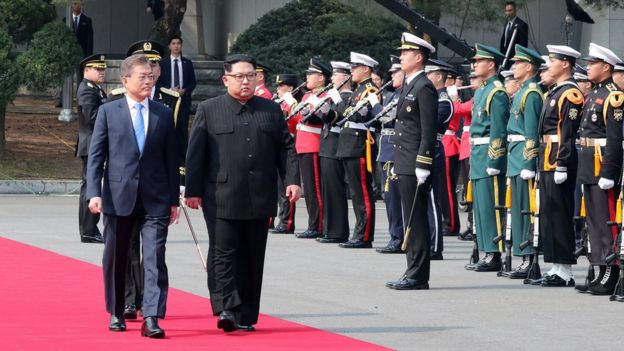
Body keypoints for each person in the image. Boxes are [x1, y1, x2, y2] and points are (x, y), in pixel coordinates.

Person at [184, 54, 301, 332]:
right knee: (223, 253)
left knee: (252, 255)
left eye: (251, 75)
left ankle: (246, 314)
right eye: (239, 76)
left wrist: (292, 180)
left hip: (260, 195)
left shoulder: (270, 110)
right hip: (220, 194)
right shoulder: (210, 109)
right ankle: (226, 307)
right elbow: (196, 153)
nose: (246, 81)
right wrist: (193, 190)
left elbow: (285, 148)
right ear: (226, 80)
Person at [86, 54, 179, 338]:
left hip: (155, 198)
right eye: (143, 76)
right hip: (117, 195)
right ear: (125, 80)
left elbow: (170, 158)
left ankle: (152, 315)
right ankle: (116, 310)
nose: (149, 81)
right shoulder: (108, 111)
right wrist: (94, 193)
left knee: (154, 257)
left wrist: (173, 199)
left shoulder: (163, 112)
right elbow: (96, 156)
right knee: (117, 256)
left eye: (151, 76)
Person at [118, 40, 182, 321]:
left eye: (155, 65)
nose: (151, 71)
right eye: (145, 67)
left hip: (157, 187)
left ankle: (154, 307)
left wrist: (176, 188)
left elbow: (177, 147)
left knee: (155, 253)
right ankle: (130, 300)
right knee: (130, 248)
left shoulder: (170, 101)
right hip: (126, 188)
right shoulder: (116, 98)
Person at [385, 32, 438, 290]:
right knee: (409, 218)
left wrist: (423, 163)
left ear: (419, 57)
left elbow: (428, 130)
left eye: (406, 53)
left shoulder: (424, 86)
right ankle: (411, 269)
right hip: (404, 160)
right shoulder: (409, 85)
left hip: (415, 162)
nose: (401, 57)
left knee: (416, 219)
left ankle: (418, 275)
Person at [575, 43, 623, 295]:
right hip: (588, 163)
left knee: (606, 222)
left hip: (601, 164)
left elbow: (615, 139)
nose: (588, 67)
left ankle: (611, 270)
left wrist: (609, 171)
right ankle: (599, 268)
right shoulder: (594, 93)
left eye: (592, 63)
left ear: (606, 67)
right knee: (593, 221)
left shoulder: (614, 96)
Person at [536, 45, 584, 287]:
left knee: (560, 213)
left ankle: (565, 269)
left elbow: (568, 131)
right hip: (547, 156)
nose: (549, 65)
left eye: (553, 60)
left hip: (558, 158)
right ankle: (555, 265)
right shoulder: (553, 92)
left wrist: (563, 163)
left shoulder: (571, 94)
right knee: (549, 213)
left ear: (565, 64)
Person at [465, 44, 510, 273]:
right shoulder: (482, 90)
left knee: (492, 206)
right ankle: (485, 250)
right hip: (478, 154)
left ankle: (494, 253)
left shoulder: (497, 92)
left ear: (491, 64)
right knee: (481, 207)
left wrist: (494, 160)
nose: (475, 65)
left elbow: (498, 130)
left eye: (479, 61)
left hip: (489, 155)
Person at [504, 45, 544, 279]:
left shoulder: (531, 93)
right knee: (517, 209)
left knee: (526, 209)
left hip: (523, 157)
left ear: (529, 67)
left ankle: (529, 257)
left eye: (518, 63)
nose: (514, 67)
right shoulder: (521, 92)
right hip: (514, 154)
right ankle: (523, 255)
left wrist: (529, 164)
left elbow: (531, 132)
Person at [336, 52, 381, 249]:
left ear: (366, 69)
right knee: (355, 192)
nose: (351, 71)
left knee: (362, 192)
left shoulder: (370, 89)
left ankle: (364, 235)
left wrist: (364, 113)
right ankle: (359, 231)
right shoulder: (357, 90)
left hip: (359, 144)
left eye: (355, 68)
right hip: (348, 144)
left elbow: (373, 117)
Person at [291, 58, 332, 239]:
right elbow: (296, 120)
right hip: (302, 144)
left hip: (313, 143)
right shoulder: (307, 95)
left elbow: (318, 119)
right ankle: (312, 223)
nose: (307, 77)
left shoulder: (325, 95)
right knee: (309, 189)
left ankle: (318, 225)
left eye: (311, 74)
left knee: (315, 188)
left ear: (321, 78)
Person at [316, 61, 353, 244]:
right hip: (327, 146)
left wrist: (331, 108)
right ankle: (329, 229)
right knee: (327, 191)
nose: (331, 78)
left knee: (335, 191)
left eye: (335, 75)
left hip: (335, 147)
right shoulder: (335, 96)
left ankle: (337, 231)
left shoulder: (347, 97)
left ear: (346, 77)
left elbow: (341, 119)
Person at [425, 59, 454, 260]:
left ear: (438, 76)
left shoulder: (443, 101)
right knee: (424, 201)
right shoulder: (432, 98)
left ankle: (436, 246)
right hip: (423, 148)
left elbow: (430, 124)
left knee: (433, 200)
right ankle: (427, 242)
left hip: (433, 149)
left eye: (429, 74)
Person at [76, 54, 107, 244]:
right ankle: (88, 230)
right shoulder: (87, 90)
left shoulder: (96, 89)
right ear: (86, 70)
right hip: (91, 145)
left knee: (92, 186)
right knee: (90, 187)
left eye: (103, 69)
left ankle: (90, 229)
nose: (102, 72)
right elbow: (93, 118)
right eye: (98, 69)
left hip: (94, 144)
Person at [376, 57, 404, 253]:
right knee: (388, 197)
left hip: (394, 149)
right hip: (385, 149)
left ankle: (398, 237)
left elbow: (386, 116)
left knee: (394, 197)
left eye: (396, 72)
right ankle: (395, 235)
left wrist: (374, 106)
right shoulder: (392, 95)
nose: (392, 75)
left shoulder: (402, 94)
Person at [157, 34, 197, 172]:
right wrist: (170, 90)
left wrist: (184, 91)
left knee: (182, 130)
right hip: (168, 101)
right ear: (169, 46)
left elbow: (193, 82)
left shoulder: (187, 63)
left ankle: (183, 160)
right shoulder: (163, 63)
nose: (176, 46)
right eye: (173, 43)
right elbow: (159, 82)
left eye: (178, 43)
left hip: (183, 101)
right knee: (169, 128)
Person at [271, 74, 299, 234]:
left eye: (281, 86)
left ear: (290, 88)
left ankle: (287, 221)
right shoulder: (280, 103)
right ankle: (280, 218)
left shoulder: (292, 103)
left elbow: (297, 120)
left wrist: (292, 102)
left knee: (287, 186)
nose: (278, 89)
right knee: (278, 187)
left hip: (290, 143)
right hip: (277, 144)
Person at [499, 1, 528, 68]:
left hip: (514, 59)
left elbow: (523, 45)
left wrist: (518, 60)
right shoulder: (507, 23)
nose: (508, 13)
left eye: (510, 10)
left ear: (515, 11)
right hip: (504, 57)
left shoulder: (522, 25)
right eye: (506, 11)